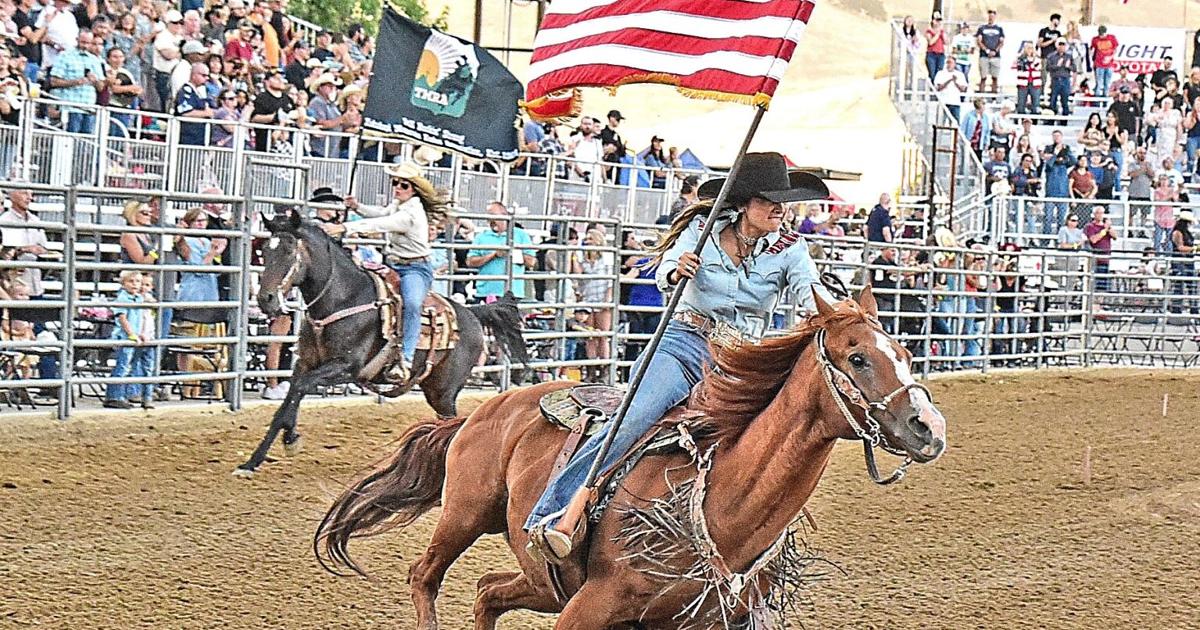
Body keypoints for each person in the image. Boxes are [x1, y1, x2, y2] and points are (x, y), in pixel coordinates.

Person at [523, 152, 831, 562]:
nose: (781, 208)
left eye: (784, 201)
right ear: (742, 204)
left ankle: (751, 545)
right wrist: (675, 269)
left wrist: (830, 312)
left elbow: (807, 289)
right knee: (634, 417)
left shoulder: (793, 249)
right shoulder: (701, 230)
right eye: (769, 199)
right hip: (683, 343)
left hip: (739, 361)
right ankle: (552, 512)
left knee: (770, 439)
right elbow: (668, 266)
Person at [321, 163, 448, 381]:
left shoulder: (411, 213)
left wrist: (345, 228)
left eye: (403, 185)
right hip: (393, 264)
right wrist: (358, 207)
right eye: (395, 183)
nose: (397, 188)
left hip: (415, 268)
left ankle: (406, 358)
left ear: (414, 189)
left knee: (412, 304)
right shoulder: (400, 204)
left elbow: (383, 223)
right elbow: (382, 213)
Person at [465, 201, 536, 301]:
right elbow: (470, 262)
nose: (490, 219)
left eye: (493, 215)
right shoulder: (481, 237)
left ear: (504, 215)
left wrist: (512, 252)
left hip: (512, 293)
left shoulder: (520, 235)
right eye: (488, 216)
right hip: (485, 292)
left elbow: (531, 262)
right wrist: (494, 255)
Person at [103, 270, 152, 409]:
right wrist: (131, 334)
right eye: (131, 281)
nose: (135, 284)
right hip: (125, 337)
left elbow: (142, 316)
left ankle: (122, 395)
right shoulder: (123, 298)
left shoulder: (139, 298)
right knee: (122, 366)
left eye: (137, 281)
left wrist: (142, 333)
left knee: (129, 366)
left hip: (136, 336)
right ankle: (114, 396)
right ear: (123, 284)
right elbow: (122, 318)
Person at [1084, 206, 1117, 292]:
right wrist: (1104, 230)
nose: (1100, 215)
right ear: (1094, 214)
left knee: (1103, 284)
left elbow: (1115, 236)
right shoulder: (1090, 226)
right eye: (1098, 213)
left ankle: (1100, 302)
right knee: (1094, 283)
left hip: (1105, 258)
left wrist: (1109, 227)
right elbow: (1093, 240)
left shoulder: (1106, 227)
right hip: (1095, 259)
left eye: (1101, 213)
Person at [1169, 209, 1196, 314]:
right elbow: (1180, 247)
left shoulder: (1185, 232)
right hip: (1179, 261)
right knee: (1179, 285)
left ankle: (1193, 308)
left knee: (1191, 286)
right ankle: (1176, 308)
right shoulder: (1177, 233)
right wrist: (1194, 249)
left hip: (1188, 261)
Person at [974, 9, 1003, 94]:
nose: (991, 18)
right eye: (990, 16)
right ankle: (981, 96)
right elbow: (979, 41)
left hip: (996, 56)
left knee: (995, 77)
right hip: (984, 55)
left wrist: (995, 51)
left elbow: (1001, 41)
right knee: (983, 77)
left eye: (992, 16)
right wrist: (986, 50)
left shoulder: (999, 29)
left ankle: (994, 96)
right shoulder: (982, 28)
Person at [1045, 38, 1074, 121]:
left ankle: (1064, 121)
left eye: (1063, 45)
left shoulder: (1069, 56)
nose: (1061, 47)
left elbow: (1074, 68)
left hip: (1065, 80)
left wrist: (1068, 66)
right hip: (1055, 80)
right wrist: (1057, 66)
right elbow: (1048, 67)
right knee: (1053, 100)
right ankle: (1051, 120)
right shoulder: (1051, 56)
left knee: (1065, 102)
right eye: (1060, 45)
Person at [1014, 42, 1043, 116]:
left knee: (1035, 103)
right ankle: (1021, 119)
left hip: (1035, 83)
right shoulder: (1020, 59)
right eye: (1028, 48)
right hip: (1023, 83)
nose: (1030, 50)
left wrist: (1031, 61)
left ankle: (1034, 120)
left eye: (1031, 48)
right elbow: (1021, 68)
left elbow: (1037, 67)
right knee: (1021, 103)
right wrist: (1027, 63)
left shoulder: (1038, 59)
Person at [1090, 25, 1118, 98]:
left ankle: (1105, 100)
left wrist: (1110, 57)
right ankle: (1097, 101)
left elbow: (1115, 49)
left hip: (1109, 64)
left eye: (1102, 34)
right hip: (1099, 64)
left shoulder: (1111, 38)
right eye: (1100, 34)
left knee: (1107, 83)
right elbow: (1092, 49)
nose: (1101, 36)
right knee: (1099, 83)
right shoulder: (1095, 39)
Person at [924, 12, 946, 80]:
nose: (938, 22)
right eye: (937, 20)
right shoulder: (929, 31)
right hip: (932, 54)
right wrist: (937, 34)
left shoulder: (942, 31)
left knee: (939, 73)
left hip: (941, 54)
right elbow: (931, 42)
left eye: (939, 21)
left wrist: (942, 32)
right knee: (932, 74)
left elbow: (946, 41)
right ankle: (931, 88)